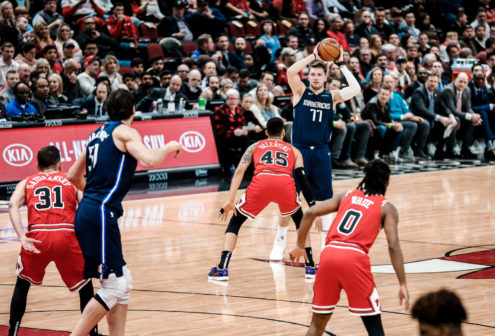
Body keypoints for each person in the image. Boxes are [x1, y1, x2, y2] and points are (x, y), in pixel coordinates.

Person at [67, 88, 182, 336]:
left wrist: (93, 195)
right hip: (98, 211)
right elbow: (150, 160)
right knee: (114, 286)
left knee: (123, 281)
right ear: (133, 110)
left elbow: (72, 176)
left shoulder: (96, 134)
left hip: (93, 209)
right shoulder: (125, 131)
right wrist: (169, 145)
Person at [290, 159, 409, 336]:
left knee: (317, 324)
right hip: (354, 258)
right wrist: (402, 283)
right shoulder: (386, 208)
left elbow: (309, 212)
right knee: (374, 326)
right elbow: (393, 246)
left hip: (328, 255)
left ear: (366, 177)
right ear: (387, 181)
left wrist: (300, 245)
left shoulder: (346, 196)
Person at [208, 117, 316, 280]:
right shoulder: (294, 150)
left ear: (266, 132)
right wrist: (312, 204)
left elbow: (239, 171)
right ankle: (310, 266)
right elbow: (302, 178)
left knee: (235, 223)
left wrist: (230, 200)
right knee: (299, 221)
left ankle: (222, 267)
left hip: (261, 183)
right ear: (282, 133)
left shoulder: (254, 146)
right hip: (284, 184)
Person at [8, 146, 99, 336]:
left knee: (22, 285)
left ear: (37, 165)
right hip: (66, 235)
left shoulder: (27, 181)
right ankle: (92, 334)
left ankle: (12, 333)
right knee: (85, 287)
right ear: (60, 164)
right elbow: (87, 206)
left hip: (37, 237)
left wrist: (21, 237)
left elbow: (12, 205)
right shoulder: (71, 180)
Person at [284, 42, 360, 255]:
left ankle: (326, 246)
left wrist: (342, 64)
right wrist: (313, 56)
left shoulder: (332, 97)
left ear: (326, 78)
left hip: (320, 151)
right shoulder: (300, 91)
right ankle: (279, 241)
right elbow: (291, 71)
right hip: (298, 151)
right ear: (308, 77)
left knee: (325, 200)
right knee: (290, 198)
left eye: (319, 74)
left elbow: (355, 89)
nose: (315, 77)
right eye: (312, 74)